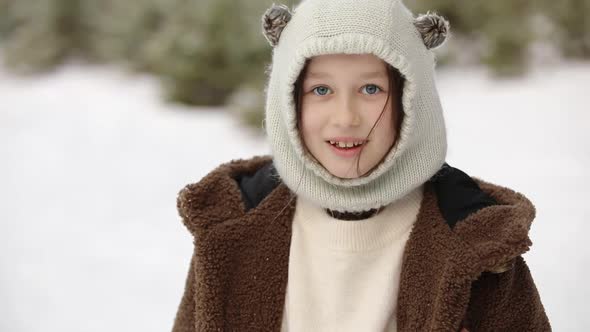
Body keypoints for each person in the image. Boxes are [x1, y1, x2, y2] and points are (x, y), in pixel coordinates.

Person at [171, 0, 551, 331]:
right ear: (287, 102)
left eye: (371, 89)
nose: (346, 117)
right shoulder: (231, 222)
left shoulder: (475, 239)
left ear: (409, 100)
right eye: (321, 90)